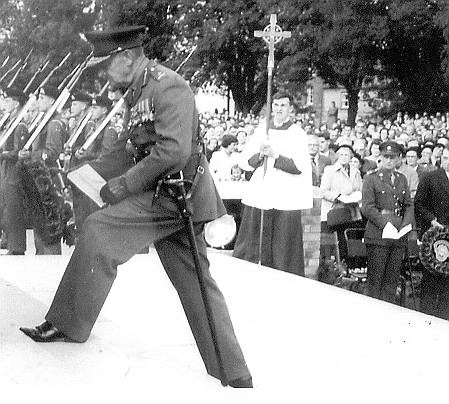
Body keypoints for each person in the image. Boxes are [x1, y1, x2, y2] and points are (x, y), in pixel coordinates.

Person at [19, 25, 252, 388]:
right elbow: (131, 148)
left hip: (176, 195)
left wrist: (123, 185)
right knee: (196, 284)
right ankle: (234, 374)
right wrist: (87, 173)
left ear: (127, 57)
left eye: (105, 66)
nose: (102, 75)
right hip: (168, 194)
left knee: (99, 229)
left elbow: (173, 151)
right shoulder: (138, 91)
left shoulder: (167, 86)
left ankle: (67, 324)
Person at [233, 91, 312, 275]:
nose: (278, 109)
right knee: (254, 242)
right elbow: (246, 161)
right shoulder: (263, 129)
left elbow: (299, 166)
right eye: (275, 105)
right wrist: (260, 155)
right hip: (261, 194)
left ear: (290, 109)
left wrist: (275, 155)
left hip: (284, 196)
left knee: (282, 247)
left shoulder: (296, 133)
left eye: (283, 106)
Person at [361, 141, 414, 304]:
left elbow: (408, 204)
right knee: (375, 283)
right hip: (378, 235)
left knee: (391, 283)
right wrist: (386, 225)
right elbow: (368, 208)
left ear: (399, 159)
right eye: (386, 157)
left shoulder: (401, 179)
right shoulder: (371, 179)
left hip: (398, 236)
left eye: (393, 157)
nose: (389, 161)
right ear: (381, 158)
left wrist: (405, 225)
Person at [414, 144, 449, 319]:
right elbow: (419, 203)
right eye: (447, 158)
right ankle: (426, 317)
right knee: (432, 275)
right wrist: (432, 220)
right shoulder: (431, 177)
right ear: (441, 159)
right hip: (435, 235)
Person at [319, 144, 363, 262]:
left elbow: (360, 189)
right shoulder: (330, 170)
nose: (344, 157)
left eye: (346, 155)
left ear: (351, 157)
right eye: (342, 155)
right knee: (336, 243)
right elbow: (323, 191)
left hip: (351, 211)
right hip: (335, 211)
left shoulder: (355, 172)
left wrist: (357, 196)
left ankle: (351, 265)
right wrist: (337, 196)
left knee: (350, 241)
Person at [0, 87, 30, 255]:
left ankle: (17, 247)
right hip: (6, 171)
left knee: (14, 209)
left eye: (8, 100)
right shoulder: (9, 122)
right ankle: (11, 244)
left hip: (14, 173)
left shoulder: (20, 126)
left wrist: (2, 154)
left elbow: (19, 152)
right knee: (7, 209)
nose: (4, 104)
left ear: (17, 103)